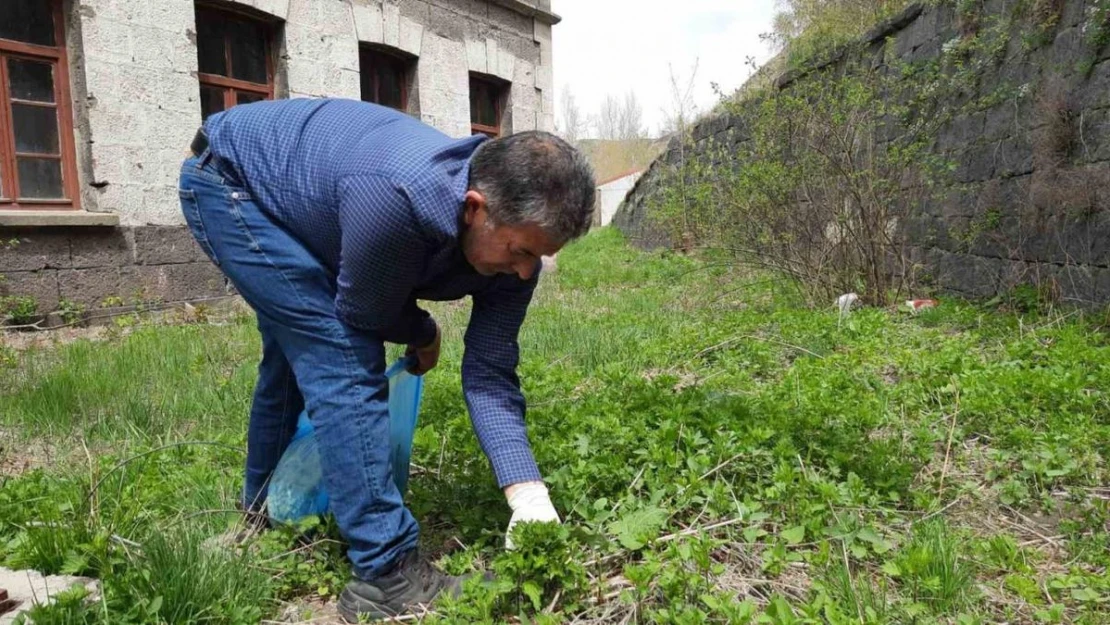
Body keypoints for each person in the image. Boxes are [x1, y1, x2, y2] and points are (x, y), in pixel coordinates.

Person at [177, 98, 596, 621]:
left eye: (541, 256)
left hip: (319, 203)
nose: (527, 271)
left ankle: (260, 512)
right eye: (520, 252)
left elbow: (489, 372)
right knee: (338, 352)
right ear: (475, 208)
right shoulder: (398, 197)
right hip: (233, 183)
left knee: (295, 351)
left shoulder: (514, 249)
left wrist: (527, 493)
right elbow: (363, 313)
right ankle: (386, 572)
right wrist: (422, 330)